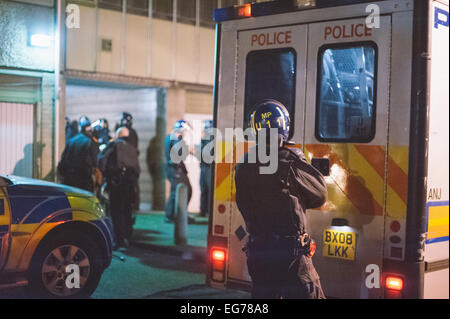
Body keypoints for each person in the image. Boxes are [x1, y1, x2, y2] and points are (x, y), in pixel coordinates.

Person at [234, 99, 327, 299]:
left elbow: (244, 204)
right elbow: (320, 195)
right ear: (284, 126)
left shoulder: (243, 165)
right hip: (291, 257)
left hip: (258, 255)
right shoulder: (291, 161)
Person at [98, 127, 140, 248]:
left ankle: (119, 239)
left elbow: (101, 161)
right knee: (127, 210)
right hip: (131, 183)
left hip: (117, 182)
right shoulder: (132, 147)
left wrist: (107, 177)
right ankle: (127, 236)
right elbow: (137, 168)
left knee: (116, 211)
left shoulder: (113, 145)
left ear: (118, 135)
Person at [57, 116, 98, 192]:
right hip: (84, 179)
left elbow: (63, 161)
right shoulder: (89, 142)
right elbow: (96, 161)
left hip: (69, 179)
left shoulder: (72, 141)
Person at [164, 120, 193, 223]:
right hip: (176, 169)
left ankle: (176, 214)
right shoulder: (176, 138)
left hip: (174, 169)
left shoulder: (170, 137)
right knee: (180, 191)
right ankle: (172, 215)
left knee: (178, 191)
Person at [199, 120, 214, 217]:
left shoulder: (212, 139)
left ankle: (208, 212)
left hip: (209, 167)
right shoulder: (204, 138)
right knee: (203, 189)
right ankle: (203, 211)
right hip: (204, 167)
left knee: (209, 190)